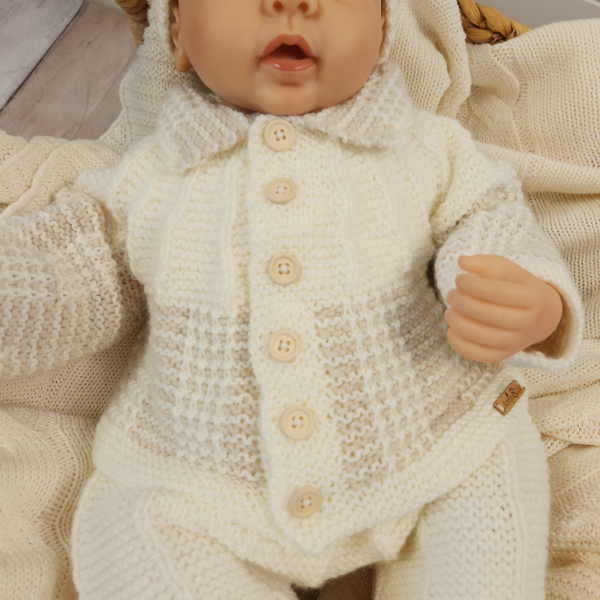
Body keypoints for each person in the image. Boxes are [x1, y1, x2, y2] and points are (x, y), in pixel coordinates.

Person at [0, 0, 584, 598]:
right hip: (199, 477)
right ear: (176, 30)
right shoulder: (148, 177)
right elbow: (70, 273)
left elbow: (489, 218)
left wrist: (531, 300)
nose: (290, 4)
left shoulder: (425, 148)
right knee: (133, 539)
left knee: (489, 509)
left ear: (382, 28)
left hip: (440, 439)